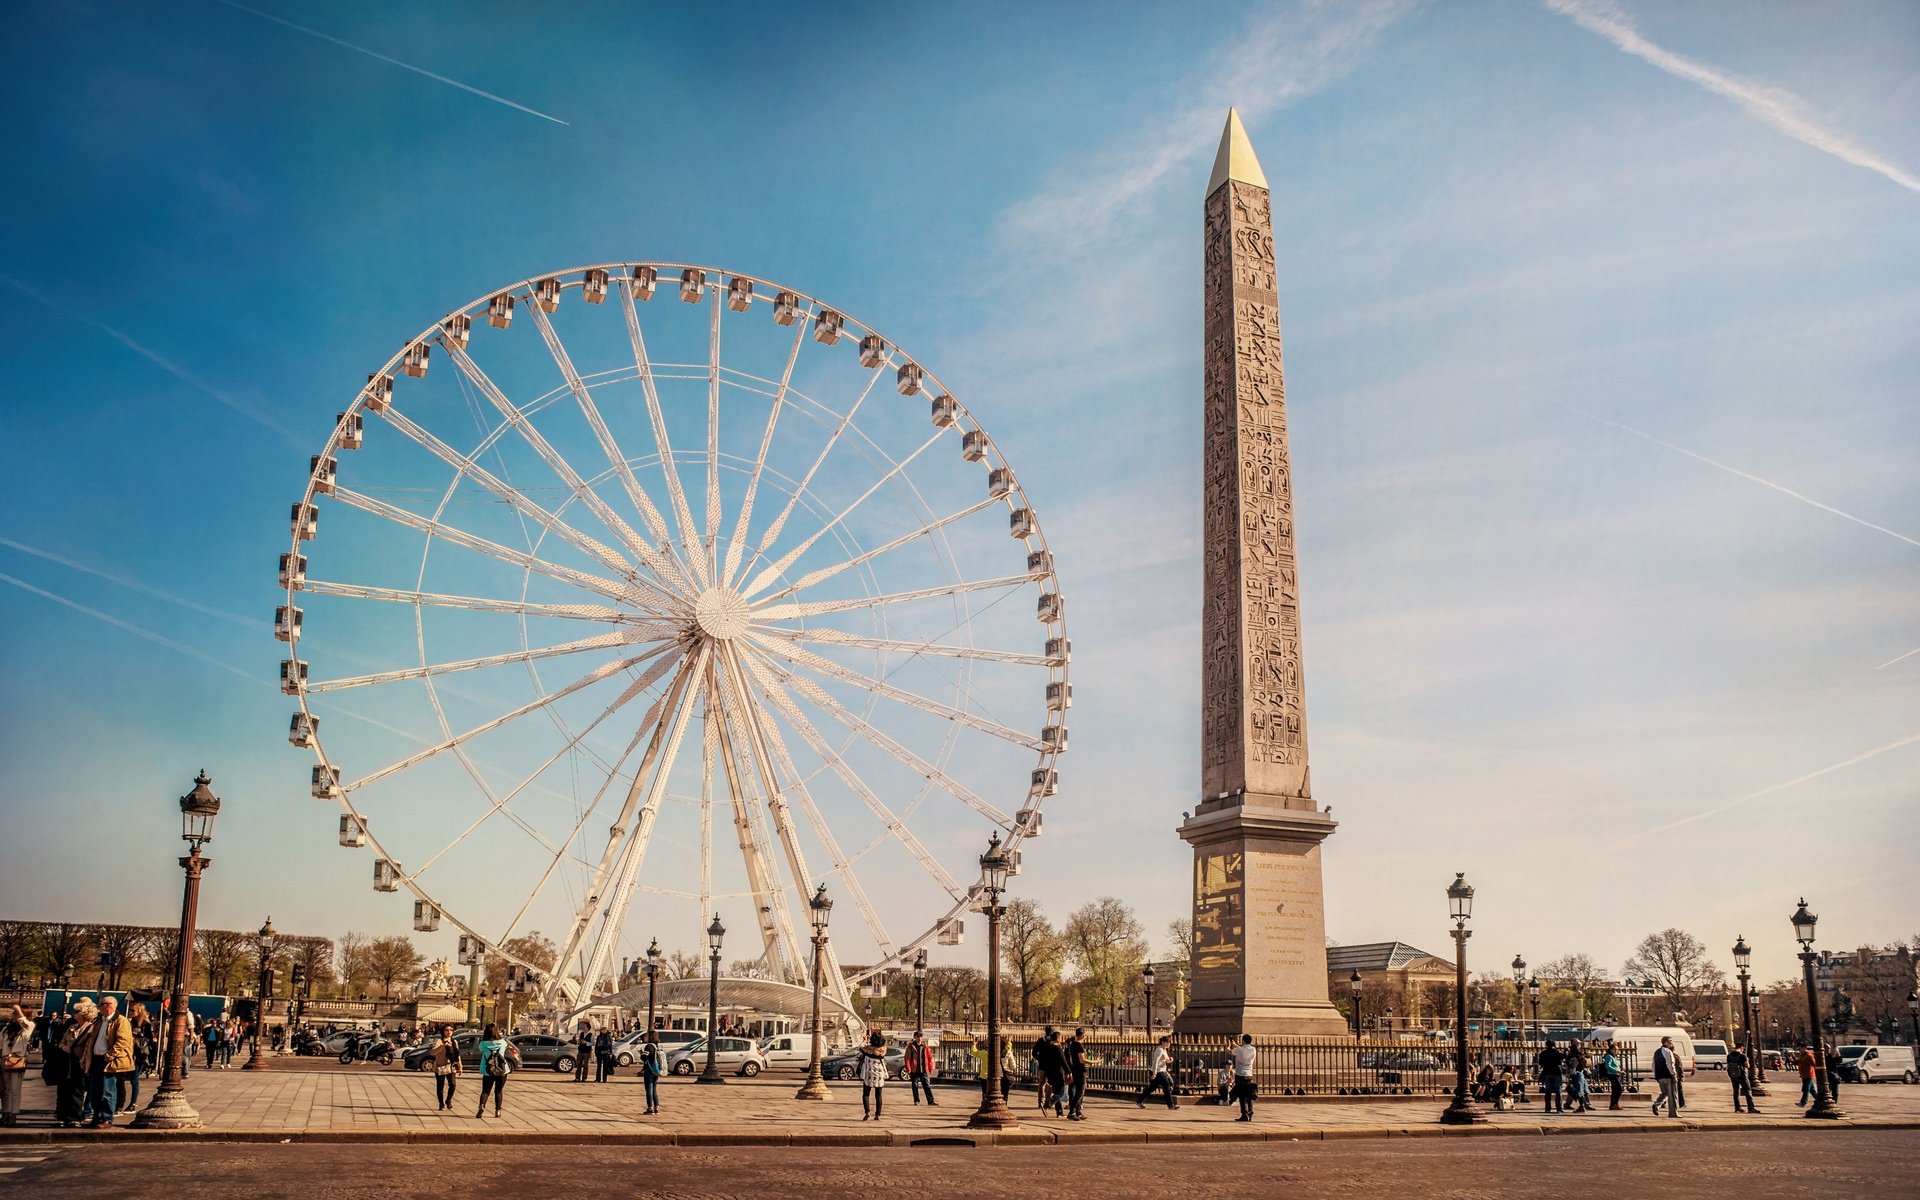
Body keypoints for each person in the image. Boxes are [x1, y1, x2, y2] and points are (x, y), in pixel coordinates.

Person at [81, 995, 134, 1129]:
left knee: (107, 1091)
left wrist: (109, 1055)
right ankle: (96, 1117)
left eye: (102, 1004)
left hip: (109, 1061)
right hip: (96, 1059)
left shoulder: (121, 1021)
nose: (100, 1007)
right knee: (95, 1091)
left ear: (110, 1005)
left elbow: (122, 1041)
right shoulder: (99, 1021)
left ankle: (106, 1118)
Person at [58, 998, 97, 1128]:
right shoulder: (72, 1027)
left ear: (83, 1014)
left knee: (77, 1090)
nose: (74, 1014)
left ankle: (75, 1117)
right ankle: (64, 1116)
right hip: (67, 1062)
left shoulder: (91, 1028)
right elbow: (61, 1042)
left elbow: (89, 1047)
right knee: (65, 1090)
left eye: (76, 1012)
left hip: (80, 1062)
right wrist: (65, 1048)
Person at [1, 1006, 36, 1127]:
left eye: (16, 1013)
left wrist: (19, 1010)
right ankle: (5, 1112)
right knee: (6, 1089)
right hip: (5, 1060)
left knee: (15, 1089)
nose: (14, 1015)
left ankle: (13, 1114)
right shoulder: (6, 1029)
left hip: (17, 1061)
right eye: (14, 1013)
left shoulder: (28, 1027)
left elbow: (26, 1024)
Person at [475, 1023, 517, 1118]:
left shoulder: (483, 1044)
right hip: (502, 1070)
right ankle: (498, 1111)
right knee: (498, 1091)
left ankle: (481, 1106)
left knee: (485, 1090)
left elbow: (481, 1050)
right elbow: (507, 1047)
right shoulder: (502, 1042)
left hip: (488, 1070)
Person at [1136, 1035, 1178, 1110]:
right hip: (1159, 1072)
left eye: (1169, 1042)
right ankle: (1171, 1105)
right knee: (1167, 1087)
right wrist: (1154, 1073)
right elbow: (1155, 1062)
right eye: (1166, 1042)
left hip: (1160, 1071)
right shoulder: (1159, 1050)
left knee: (1151, 1088)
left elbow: (1165, 1060)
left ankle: (1139, 1101)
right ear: (1162, 1042)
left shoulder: (1164, 1050)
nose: (1168, 1044)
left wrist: (1170, 1060)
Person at [120, 1006, 148, 1114]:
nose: (131, 1012)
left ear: (139, 1011)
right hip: (127, 1053)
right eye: (130, 1010)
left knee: (134, 1080)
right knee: (121, 1079)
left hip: (138, 1055)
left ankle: (133, 1103)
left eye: (133, 1010)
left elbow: (148, 1040)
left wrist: (137, 1037)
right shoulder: (128, 1022)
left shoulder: (145, 1024)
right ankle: (120, 1104)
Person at [1034, 1029, 1067, 1117]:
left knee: (1042, 1084)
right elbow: (1062, 1061)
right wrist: (1068, 1071)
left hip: (1043, 1066)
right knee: (1057, 1090)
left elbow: (1034, 1053)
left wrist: (1040, 1059)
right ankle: (1048, 1103)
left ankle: (1042, 1101)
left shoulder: (1041, 1041)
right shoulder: (1056, 1046)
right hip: (1054, 1069)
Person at [428, 1025, 462, 1111]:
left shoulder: (454, 1042)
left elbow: (457, 1055)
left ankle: (448, 1100)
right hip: (440, 1066)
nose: (449, 1031)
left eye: (451, 1030)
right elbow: (433, 1052)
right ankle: (441, 1103)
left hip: (451, 1067)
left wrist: (460, 1066)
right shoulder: (439, 1041)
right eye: (447, 1030)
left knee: (453, 1085)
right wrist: (443, 1045)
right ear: (443, 1031)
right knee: (440, 1086)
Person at [858, 1031, 889, 1121]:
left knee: (866, 1094)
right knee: (878, 1095)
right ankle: (877, 1114)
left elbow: (860, 1048)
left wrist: (865, 1040)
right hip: (879, 1074)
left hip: (869, 1073)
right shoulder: (883, 1050)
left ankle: (867, 1111)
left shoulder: (868, 1050)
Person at [1230, 1033, 1257, 1122]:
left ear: (1243, 1040)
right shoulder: (1253, 1049)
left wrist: (1229, 1045)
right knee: (1249, 1095)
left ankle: (1244, 1114)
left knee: (1242, 1096)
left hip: (1240, 1075)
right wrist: (1236, 1045)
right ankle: (1250, 1111)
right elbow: (1242, 1049)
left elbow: (1230, 1052)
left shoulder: (1239, 1050)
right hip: (1249, 1075)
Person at [1651, 1036, 1680, 1118]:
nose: (1672, 1043)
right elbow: (1670, 1064)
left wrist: (1656, 1075)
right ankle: (1673, 1113)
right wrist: (1674, 1075)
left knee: (1664, 1093)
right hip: (1668, 1076)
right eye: (1670, 1041)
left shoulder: (1656, 1052)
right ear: (1665, 1042)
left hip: (1660, 1076)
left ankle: (1657, 1104)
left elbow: (1653, 1065)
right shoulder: (1667, 1051)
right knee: (1672, 1095)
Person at [906, 1031, 937, 1106]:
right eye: (918, 1037)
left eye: (920, 1037)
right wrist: (908, 1068)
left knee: (926, 1085)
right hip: (914, 1069)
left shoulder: (925, 1046)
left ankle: (930, 1100)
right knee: (915, 1085)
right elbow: (907, 1057)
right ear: (915, 1037)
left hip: (923, 1069)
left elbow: (929, 1058)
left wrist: (930, 1068)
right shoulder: (911, 1046)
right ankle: (916, 1100)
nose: (919, 1038)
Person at [1063, 1029, 1087, 1119]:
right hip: (1080, 1070)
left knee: (1075, 1090)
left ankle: (1077, 1111)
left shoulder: (1072, 1046)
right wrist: (1094, 1062)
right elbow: (1082, 1060)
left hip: (1074, 1070)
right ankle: (1072, 1111)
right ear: (1083, 1035)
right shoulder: (1079, 1046)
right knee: (1080, 1092)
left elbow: (1071, 1061)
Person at [1727, 1044, 1758, 1113]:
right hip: (1742, 1075)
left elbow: (1728, 1065)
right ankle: (1751, 1108)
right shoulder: (1742, 1055)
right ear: (1741, 1048)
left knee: (1736, 1091)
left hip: (1733, 1075)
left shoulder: (1729, 1056)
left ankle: (1737, 1107)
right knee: (1748, 1091)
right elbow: (1747, 1066)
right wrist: (1747, 1060)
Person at [1536, 1039, 1564, 1113]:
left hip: (1547, 1072)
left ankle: (1547, 1108)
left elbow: (1540, 1063)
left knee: (1548, 1091)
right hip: (1556, 1072)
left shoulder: (1543, 1053)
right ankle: (1559, 1108)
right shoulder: (1556, 1052)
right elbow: (1562, 1058)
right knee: (1558, 1091)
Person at [639, 1032, 662, 1115]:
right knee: (654, 1090)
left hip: (649, 1070)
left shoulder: (649, 1046)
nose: (645, 1037)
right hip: (656, 1070)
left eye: (646, 1036)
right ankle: (657, 1107)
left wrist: (641, 1053)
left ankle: (650, 1108)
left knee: (649, 1090)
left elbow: (645, 1058)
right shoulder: (656, 1046)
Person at [1564, 1043, 1591, 1113]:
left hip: (1576, 1075)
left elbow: (1573, 1068)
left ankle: (1582, 1106)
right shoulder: (1580, 1057)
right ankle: (1582, 1106)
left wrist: (1571, 1076)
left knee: (1579, 1091)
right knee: (1580, 1091)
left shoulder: (1573, 1058)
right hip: (1580, 1074)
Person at [1599, 1043, 1624, 1110]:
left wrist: (1620, 1071)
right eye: (1614, 1049)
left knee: (1615, 1090)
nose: (1616, 1051)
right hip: (1612, 1074)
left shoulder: (1613, 1056)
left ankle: (1613, 1104)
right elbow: (1608, 1066)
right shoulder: (1609, 1056)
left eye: (1617, 1049)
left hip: (1616, 1074)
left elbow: (1615, 1066)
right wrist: (1618, 1071)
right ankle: (1615, 1103)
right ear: (1610, 1049)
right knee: (1619, 1089)